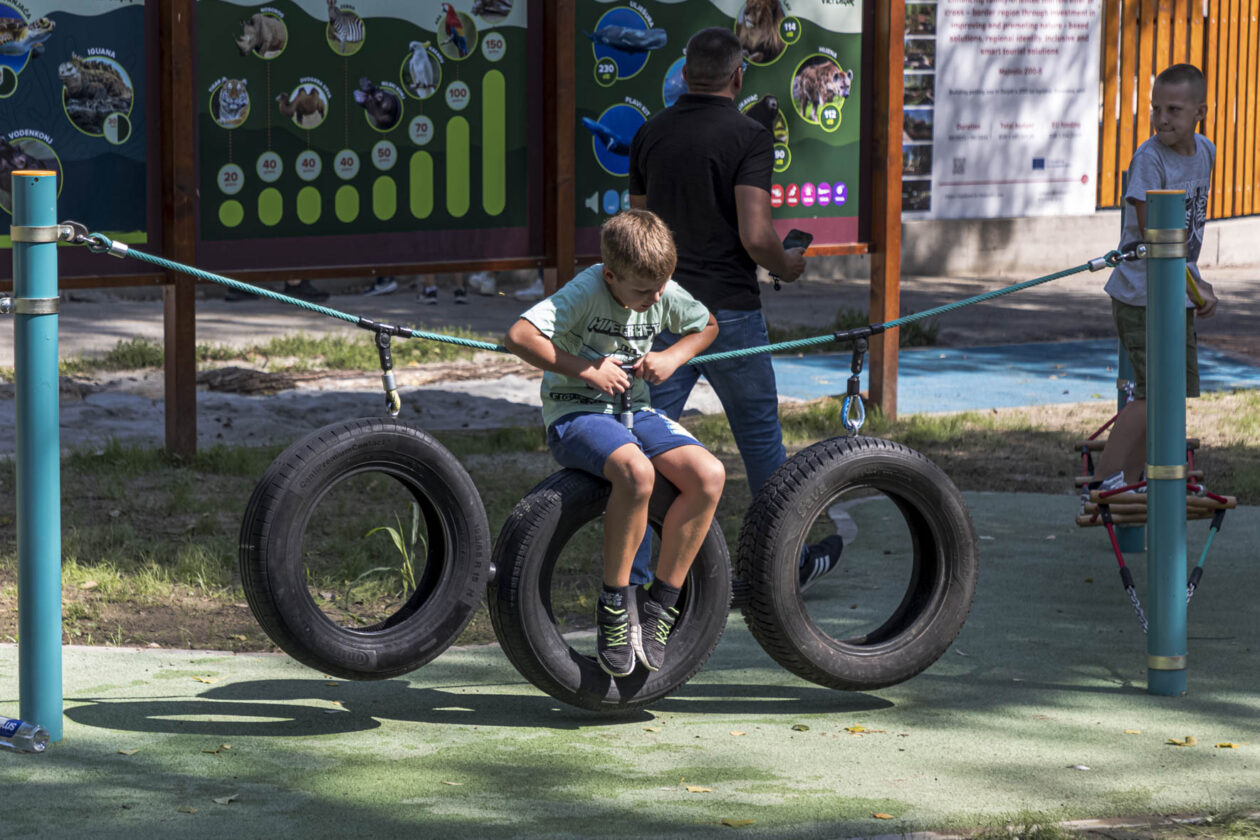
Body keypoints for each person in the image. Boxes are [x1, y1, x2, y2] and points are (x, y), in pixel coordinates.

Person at [627, 26, 841, 594]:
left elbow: (637, 233)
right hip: (734, 315)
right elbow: (755, 233)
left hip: (664, 317)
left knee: (642, 443)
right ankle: (782, 571)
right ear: (738, 76)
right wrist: (786, 264)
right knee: (762, 444)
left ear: (686, 73)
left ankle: (637, 580)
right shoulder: (750, 135)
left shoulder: (649, 133)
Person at [503, 209, 723, 677]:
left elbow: (707, 325)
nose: (655, 297)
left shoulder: (658, 288)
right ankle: (616, 605)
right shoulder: (586, 290)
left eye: (661, 287)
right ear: (610, 275)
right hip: (576, 412)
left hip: (634, 410)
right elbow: (519, 335)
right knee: (636, 472)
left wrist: (671, 356)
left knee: (709, 475)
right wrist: (587, 370)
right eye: (643, 290)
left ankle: (660, 603)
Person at [1088, 63, 1218, 501]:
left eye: (1174, 110)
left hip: (1175, 292)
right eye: (1156, 108)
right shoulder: (1149, 159)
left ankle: (1130, 479)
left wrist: (1193, 287)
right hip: (1143, 294)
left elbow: (1190, 227)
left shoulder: (1206, 152)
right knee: (1152, 392)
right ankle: (1104, 482)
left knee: (1170, 393)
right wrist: (1198, 288)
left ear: (1200, 111)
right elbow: (1156, 234)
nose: (1162, 118)